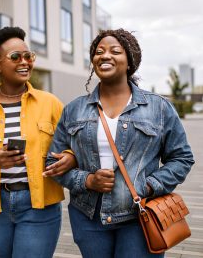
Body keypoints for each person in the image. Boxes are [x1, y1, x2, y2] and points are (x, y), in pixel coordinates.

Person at [45, 28, 195, 258]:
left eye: (115, 51)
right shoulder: (74, 110)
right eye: (98, 51)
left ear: (129, 61)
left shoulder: (159, 108)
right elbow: (51, 163)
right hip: (89, 217)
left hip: (140, 216)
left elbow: (182, 158)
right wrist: (87, 180)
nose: (104, 55)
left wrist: (149, 185)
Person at [0, 26, 75, 258]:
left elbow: (75, 143)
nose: (25, 62)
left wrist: (71, 157)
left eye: (28, 56)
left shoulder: (50, 104)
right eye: (15, 57)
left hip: (40, 206)